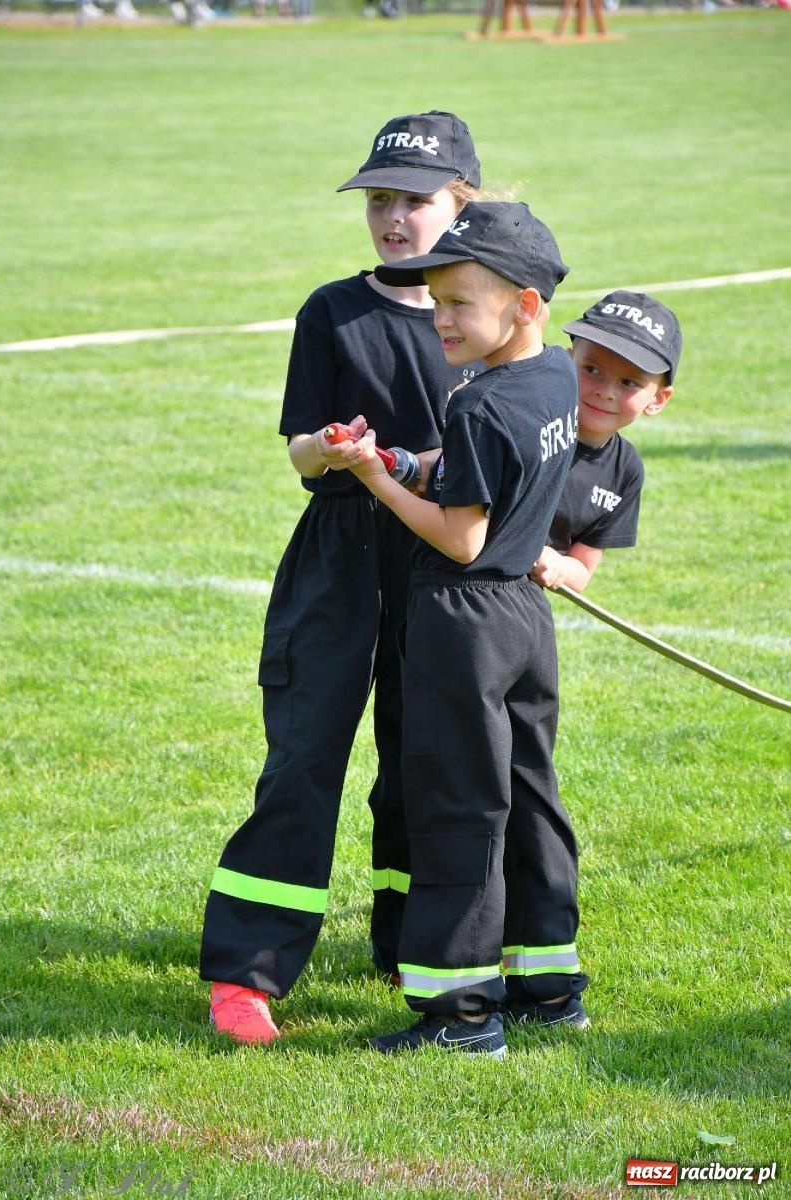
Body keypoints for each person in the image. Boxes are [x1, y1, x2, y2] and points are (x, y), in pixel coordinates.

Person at [200, 111, 483, 1045]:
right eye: (379, 200)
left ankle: (410, 938)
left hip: (440, 562)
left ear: (462, 203)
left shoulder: (485, 313)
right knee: (305, 752)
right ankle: (249, 967)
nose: (394, 218)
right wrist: (328, 450)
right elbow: (296, 450)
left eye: (415, 200)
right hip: (339, 555)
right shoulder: (332, 310)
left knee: (424, 760)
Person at [341, 200, 586, 1058]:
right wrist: (417, 462)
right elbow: (496, 469)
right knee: (530, 798)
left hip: (462, 615)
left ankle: (461, 1013)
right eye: (435, 299)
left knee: (458, 806)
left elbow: (460, 533)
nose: (441, 317)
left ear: (524, 303)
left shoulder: (476, 406)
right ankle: (551, 988)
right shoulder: (553, 375)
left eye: (459, 302)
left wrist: (377, 475)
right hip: (524, 617)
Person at [531, 290, 681, 594]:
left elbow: (582, 568)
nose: (605, 391)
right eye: (591, 370)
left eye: (629, 382)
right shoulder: (525, 420)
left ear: (658, 399)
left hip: (518, 597)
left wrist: (557, 566)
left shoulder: (624, 472)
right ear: (567, 360)